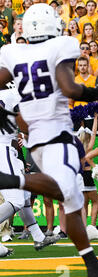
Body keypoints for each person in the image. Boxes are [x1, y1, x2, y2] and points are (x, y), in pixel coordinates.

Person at [0, 4, 98, 277]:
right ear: (53, 25)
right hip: (56, 133)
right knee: (66, 191)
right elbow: (69, 88)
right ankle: (8, 180)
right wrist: (97, 91)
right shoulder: (61, 46)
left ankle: (92, 265)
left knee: (73, 202)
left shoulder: (13, 51)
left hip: (35, 137)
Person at [0, 85, 60, 250]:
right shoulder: (13, 94)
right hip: (3, 150)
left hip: (6, 148)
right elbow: (25, 125)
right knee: (16, 200)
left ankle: (39, 237)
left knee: (25, 196)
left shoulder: (7, 94)